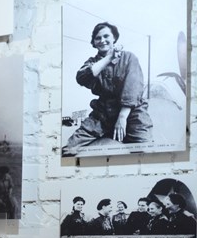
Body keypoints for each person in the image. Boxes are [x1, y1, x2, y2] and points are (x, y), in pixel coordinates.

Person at [63, 22, 153, 153]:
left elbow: (132, 89)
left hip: (132, 113)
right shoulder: (93, 63)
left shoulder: (129, 58)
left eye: (106, 36)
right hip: (103, 113)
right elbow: (82, 78)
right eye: (98, 38)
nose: (102, 40)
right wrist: (109, 57)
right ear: (94, 42)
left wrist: (122, 118)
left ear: (114, 38)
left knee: (145, 150)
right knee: (69, 150)